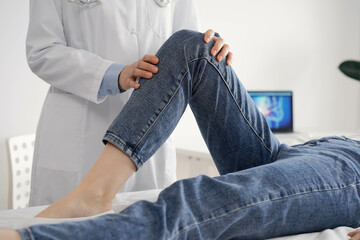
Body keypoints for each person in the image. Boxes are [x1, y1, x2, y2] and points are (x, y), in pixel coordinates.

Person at [1, 29, 359, 240]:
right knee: (194, 47)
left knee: (221, 197)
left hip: (337, 165)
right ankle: (93, 194)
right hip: (338, 158)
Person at [26, 0, 224, 206]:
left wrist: (211, 49)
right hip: (82, 138)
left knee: (147, 226)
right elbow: (42, 51)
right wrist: (113, 75)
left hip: (152, 139)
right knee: (65, 228)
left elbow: (187, 47)